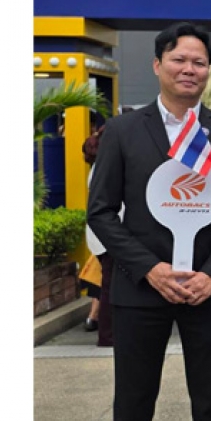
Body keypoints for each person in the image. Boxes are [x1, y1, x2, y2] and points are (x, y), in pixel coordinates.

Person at [87, 22, 211, 421]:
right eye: (179, 59)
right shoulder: (122, 130)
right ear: (157, 64)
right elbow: (101, 212)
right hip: (140, 290)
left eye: (199, 62)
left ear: (208, 70)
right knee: (132, 406)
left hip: (207, 291)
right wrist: (149, 268)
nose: (189, 69)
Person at [82, 124, 114, 347]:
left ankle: (108, 333)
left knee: (109, 285)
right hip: (109, 236)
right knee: (110, 287)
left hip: (103, 236)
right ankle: (107, 336)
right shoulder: (106, 166)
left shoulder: (99, 166)